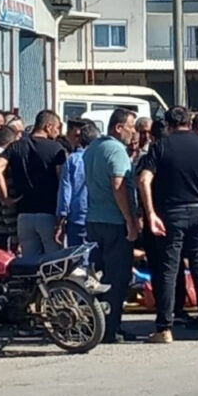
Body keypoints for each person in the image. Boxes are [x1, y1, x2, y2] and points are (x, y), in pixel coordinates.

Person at [139, 107, 198, 343]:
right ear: (189, 122)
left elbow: (144, 179)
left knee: (169, 268)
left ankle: (164, 327)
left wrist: (150, 213)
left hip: (171, 212)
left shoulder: (161, 146)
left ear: (168, 125)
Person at [84, 108, 140, 343]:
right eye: (131, 127)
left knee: (99, 276)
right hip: (114, 221)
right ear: (118, 127)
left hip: (94, 218)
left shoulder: (93, 148)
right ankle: (111, 328)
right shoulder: (116, 150)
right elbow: (118, 184)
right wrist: (130, 219)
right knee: (117, 278)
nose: (134, 133)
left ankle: (99, 323)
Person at [0, 110, 67, 258]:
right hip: (48, 214)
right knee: (54, 263)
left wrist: (5, 197)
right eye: (57, 128)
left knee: (29, 264)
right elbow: (62, 181)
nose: (58, 132)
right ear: (48, 126)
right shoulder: (56, 149)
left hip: (24, 214)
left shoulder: (15, 146)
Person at [57, 123, 99, 249]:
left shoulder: (72, 160)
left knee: (75, 258)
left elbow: (65, 191)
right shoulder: (100, 158)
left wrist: (60, 219)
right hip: (97, 216)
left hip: (76, 216)